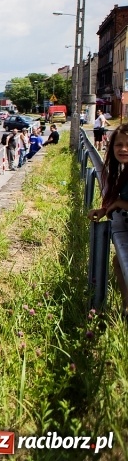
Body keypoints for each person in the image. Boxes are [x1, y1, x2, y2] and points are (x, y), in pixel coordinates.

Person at [88, 123, 128, 317]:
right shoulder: (125, 171)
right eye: (118, 145)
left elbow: (122, 201)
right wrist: (105, 209)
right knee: (119, 262)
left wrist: (120, 203)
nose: (123, 149)